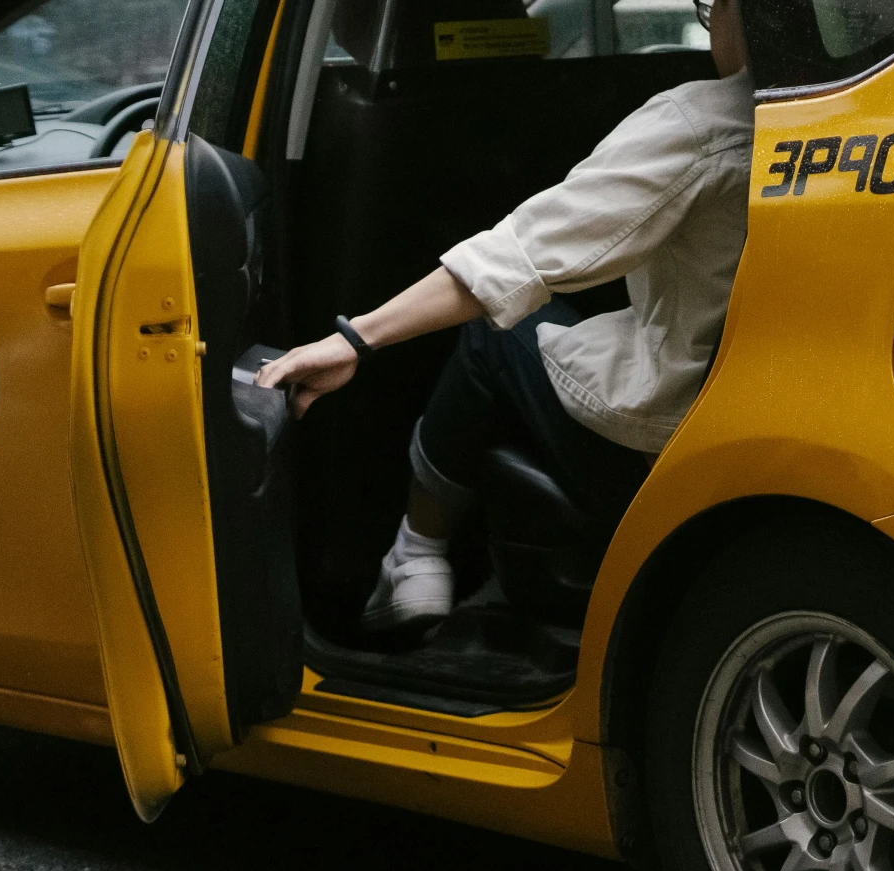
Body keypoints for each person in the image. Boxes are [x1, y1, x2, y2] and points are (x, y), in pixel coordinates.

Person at [257, 0, 752, 631]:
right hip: (769, 442)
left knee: (496, 333)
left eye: (715, 6)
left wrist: (355, 340)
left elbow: (516, 259)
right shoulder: (880, 124)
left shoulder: (704, 124)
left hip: (665, 450)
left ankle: (415, 558)